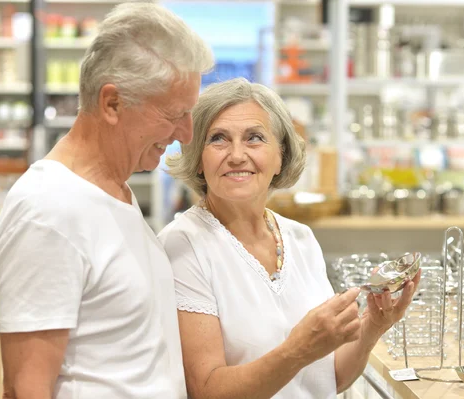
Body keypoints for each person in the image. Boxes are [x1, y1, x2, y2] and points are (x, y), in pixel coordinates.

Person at [0, 2, 214, 398]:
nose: (186, 134)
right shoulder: (48, 210)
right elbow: (25, 388)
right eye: (174, 113)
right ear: (112, 104)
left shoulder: (114, 194)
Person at [158, 77, 422, 399]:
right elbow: (208, 390)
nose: (237, 155)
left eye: (254, 138)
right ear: (199, 158)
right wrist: (298, 349)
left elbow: (330, 377)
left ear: (280, 156)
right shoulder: (183, 246)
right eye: (218, 139)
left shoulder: (300, 239)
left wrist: (373, 327)